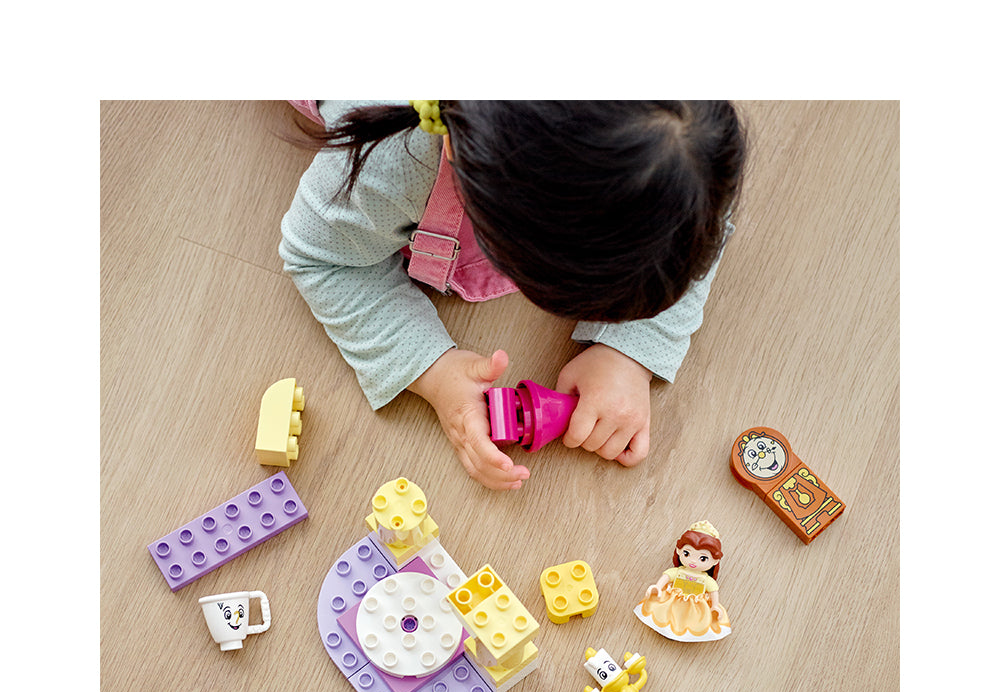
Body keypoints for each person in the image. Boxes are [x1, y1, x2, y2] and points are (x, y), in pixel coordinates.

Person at [279, 100, 746, 490]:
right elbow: (320, 258)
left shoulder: (683, 128)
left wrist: (631, 350)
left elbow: (701, 211)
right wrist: (434, 370)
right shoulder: (385, 164)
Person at [634, 521, 732, 641]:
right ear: (679, 550)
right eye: (687, 553)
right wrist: (658, 587)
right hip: (672, 600)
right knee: (665, 614)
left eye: (702, 558)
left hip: (695, 606)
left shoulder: (707, 580)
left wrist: (715, 605)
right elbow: (666, 577)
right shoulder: (677, 572)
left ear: (715, 561)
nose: (693, 561)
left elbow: (713, 591)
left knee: (692, 621)